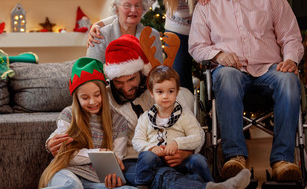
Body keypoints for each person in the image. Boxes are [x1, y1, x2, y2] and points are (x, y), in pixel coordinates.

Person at [47, 35, 251, 189]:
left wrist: (185, 151)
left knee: (194, 164)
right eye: (119, 82)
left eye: (131, 80)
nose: (126, 88)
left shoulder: (161, 92)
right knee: (160, 174)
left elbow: (193, 131)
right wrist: (51, 142)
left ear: (142, 74)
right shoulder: (102, 98)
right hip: (134, 162)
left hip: (171, 152)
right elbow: (77, 111)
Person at [189, 0, 304, 182]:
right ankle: (235, 157)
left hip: (269, 69)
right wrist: (219, 54)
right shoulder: (206, 4)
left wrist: (290, 59)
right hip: (232, 72)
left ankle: (283, 160)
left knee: (290, 79)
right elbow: (196, 46)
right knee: (227, 76)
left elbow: (291, 37)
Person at [87, 0, 214, 92]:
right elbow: (137, 6)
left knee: (213, 73)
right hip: (178, 29)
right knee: (180, 78)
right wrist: (101, 23)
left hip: (206, 28)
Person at [133, 65, 248, 189]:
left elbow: (197, 137)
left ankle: (212, 185)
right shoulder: (145, 118)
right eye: (160, 92)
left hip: (180, 160)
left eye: (170, 91)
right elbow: (137, 141)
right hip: (156, 161)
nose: (165, 96)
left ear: (177, 92)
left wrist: (178, 143)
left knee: (198, 160)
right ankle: (142, 185)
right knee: (146, 156)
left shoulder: (184, 116)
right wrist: (151, 148)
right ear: (151, 93)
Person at [39, 57, 134, 189]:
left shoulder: (119, 122)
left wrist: (114, 175)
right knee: (72, 185)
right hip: (66, 173)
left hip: (95, 181)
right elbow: (66, 155)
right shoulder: (68, 114)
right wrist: (99, 153)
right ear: (77, 98)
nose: (92, 102)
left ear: (104, 92)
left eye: (97, 95)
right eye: (85, 97)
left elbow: (116, 159)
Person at [86, 0, 163, 64]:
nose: (133, 10)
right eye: (127, 5)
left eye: (137, 5)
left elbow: (157, 72)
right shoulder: (100, 36)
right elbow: (92, 72)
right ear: (116, 8)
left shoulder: (153, 35)